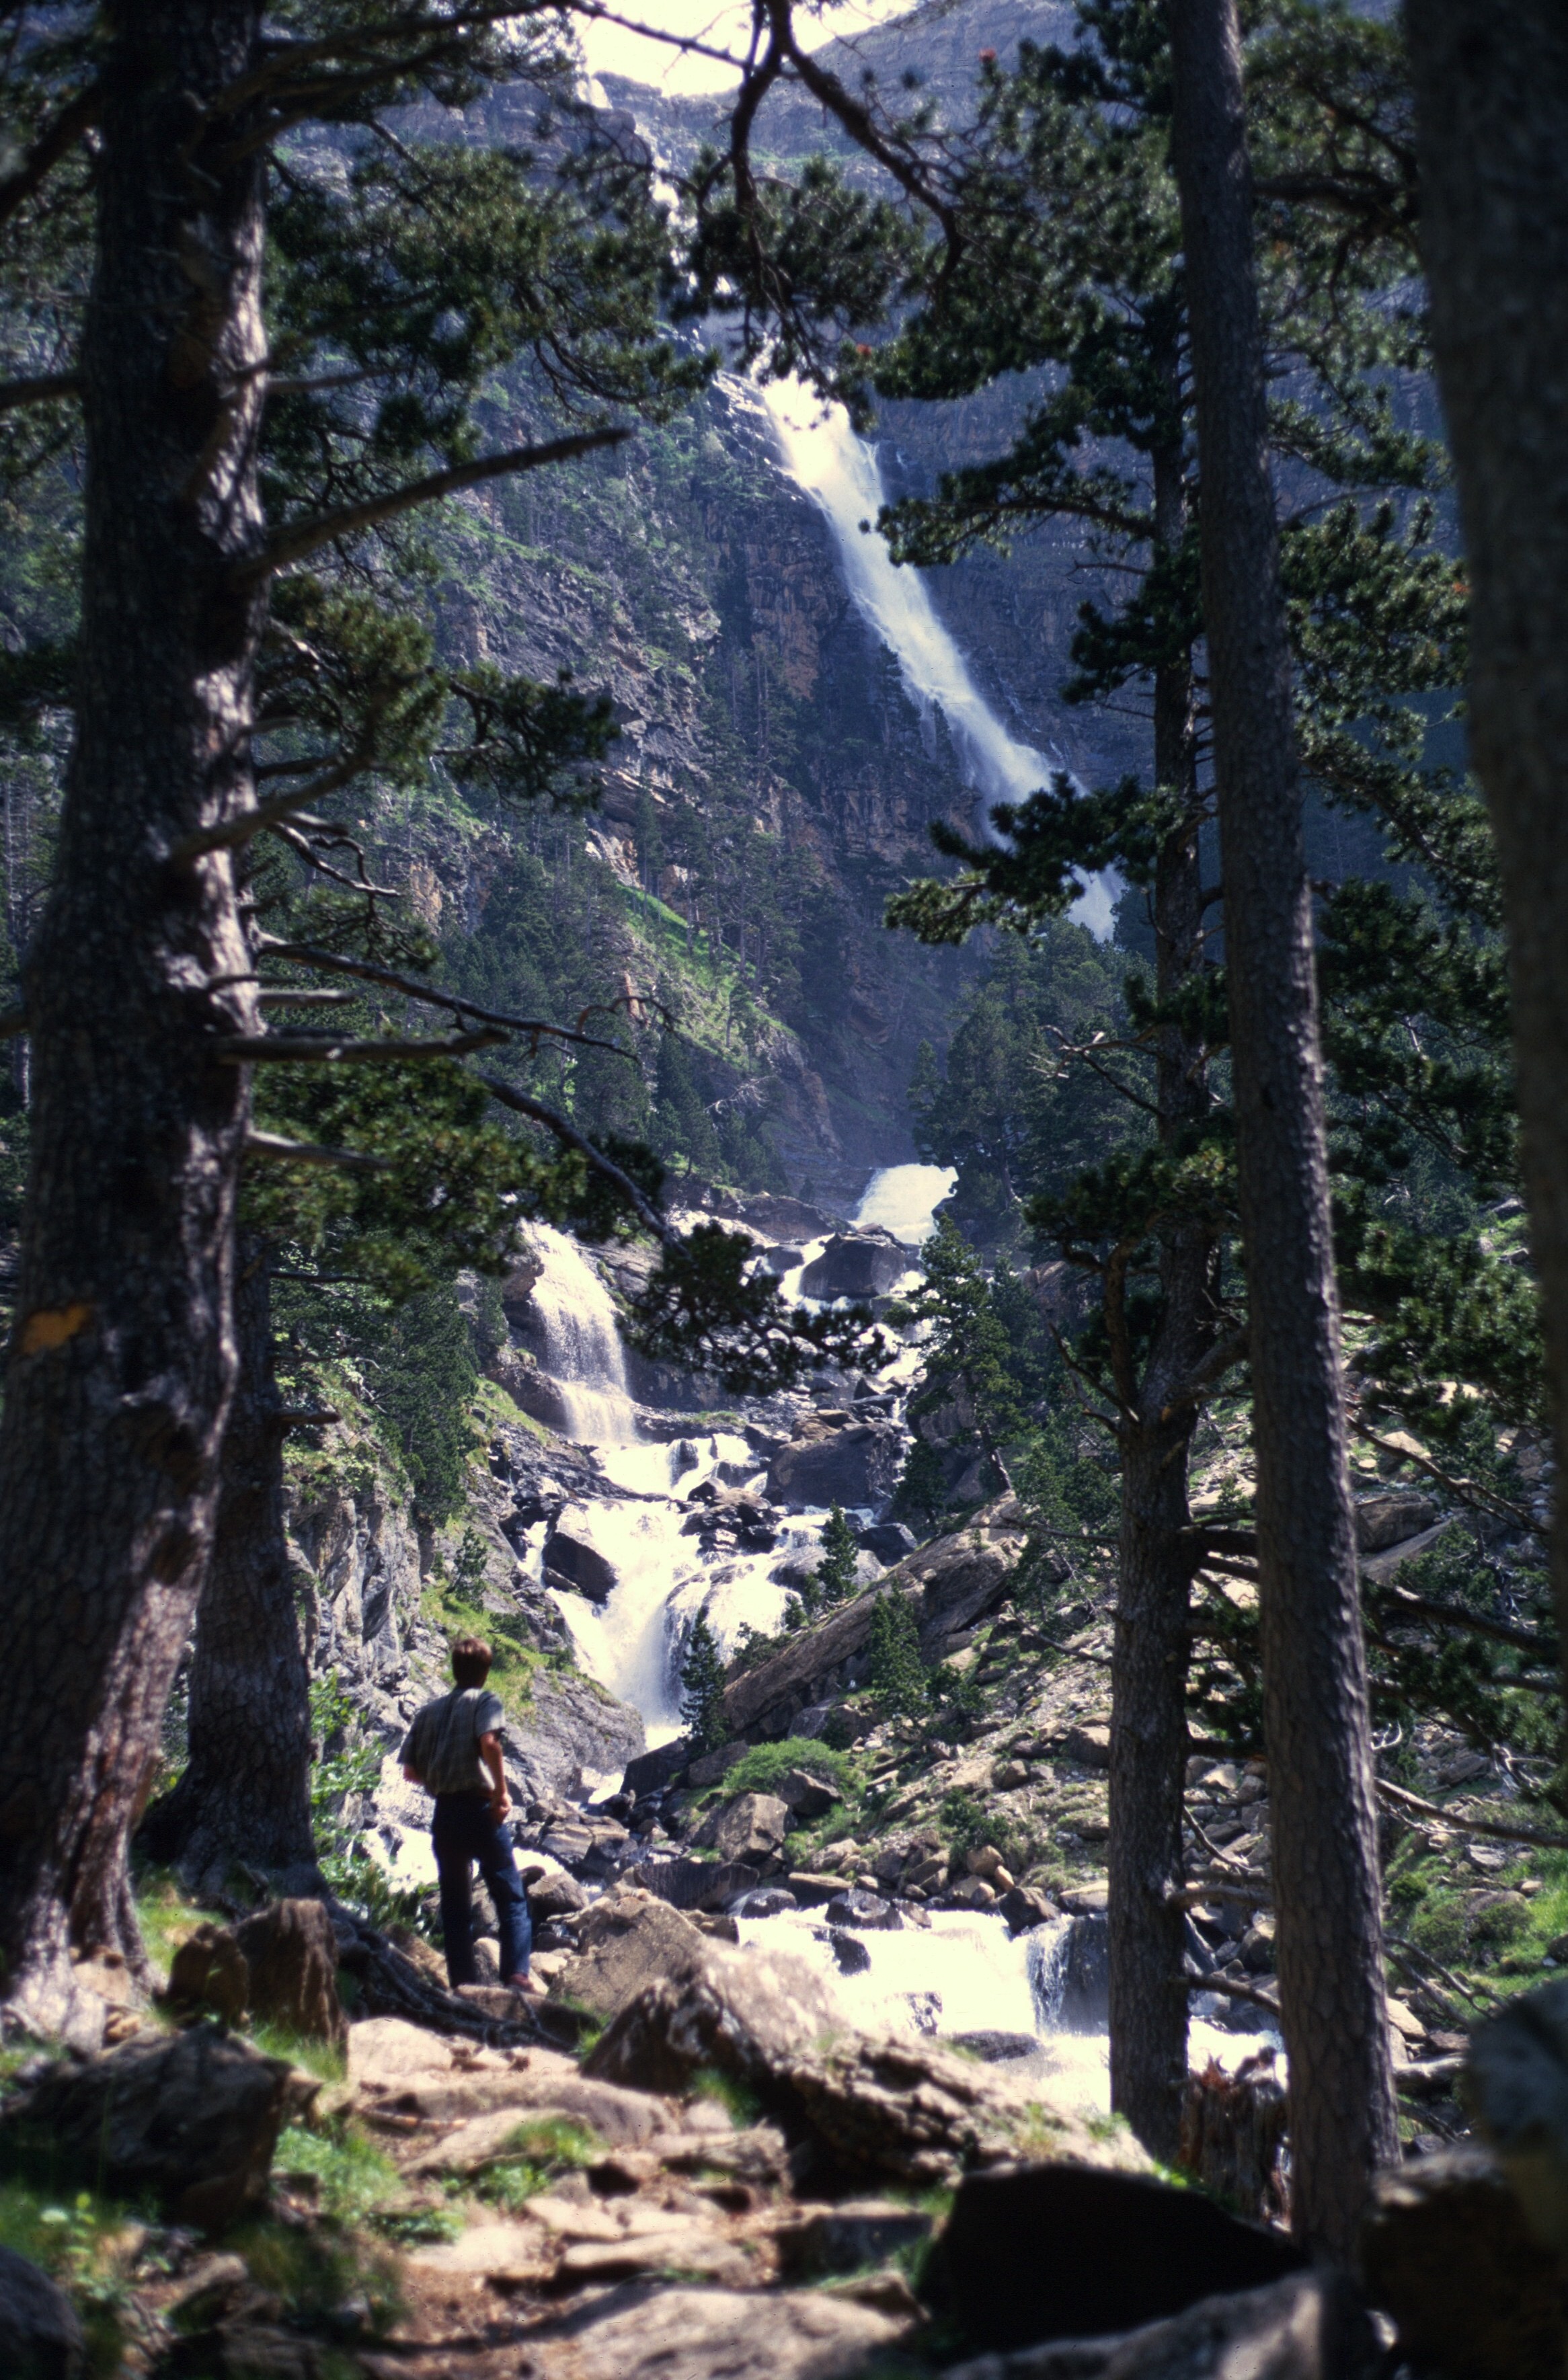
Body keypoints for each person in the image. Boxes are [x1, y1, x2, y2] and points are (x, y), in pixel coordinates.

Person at [400, 1636, 541, 1995]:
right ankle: (516, 1977)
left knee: (454, 1905)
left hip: (445, 1814)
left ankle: (463, 1986)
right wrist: (501, 1792)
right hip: (480, 1810)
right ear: (485, 1672)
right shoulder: (485, 1701)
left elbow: (410, 1772)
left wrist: (440, 1779)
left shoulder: (427, 1712)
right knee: (509, 1896)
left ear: (454, 1669)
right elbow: (490, 1743)